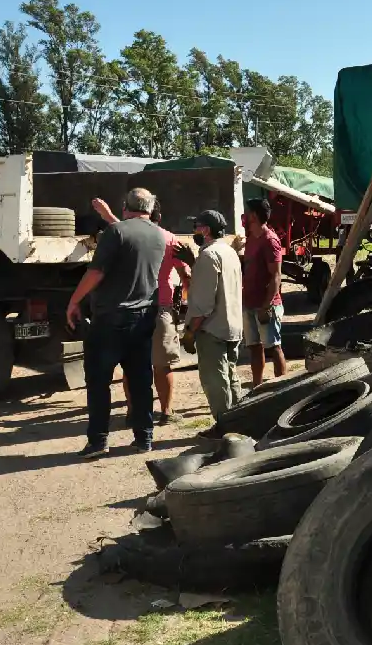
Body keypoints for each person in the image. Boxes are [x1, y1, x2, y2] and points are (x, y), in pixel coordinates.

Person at [67, 188, 164, 458]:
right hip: (143, 318)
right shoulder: (158, 234)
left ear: (125, 206)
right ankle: (144, 437)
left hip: (111, 318)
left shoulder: (116, 233)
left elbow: (96, 271)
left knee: (99, 381)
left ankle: (99, 441)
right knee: (140, 380)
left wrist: (74, 300)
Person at [91, 196, 191, 425]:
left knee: (131, 364)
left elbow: (126, 234)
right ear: (159, 217)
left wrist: (107, 216)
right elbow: (186, 276)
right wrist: (188, 301)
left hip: (133, 307)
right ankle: (166, 412)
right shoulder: (169, 239)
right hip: (161, 306)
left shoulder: (130, 235)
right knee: (162, 364)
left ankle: (132, 411)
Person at [183, 209, 243, 435]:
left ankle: (225, 429)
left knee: (215, 381)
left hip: (213, 329)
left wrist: (190, 331)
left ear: (206, 230)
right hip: (232, 325)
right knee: (230, 377)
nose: (194, 231)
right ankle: (239, 422)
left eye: (196, 226)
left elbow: (204, 304)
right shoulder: (229, 252)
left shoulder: (208, 256)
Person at [241, 197, 287, 388]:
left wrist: (266, 306)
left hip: (266, 305)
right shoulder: (251, 238)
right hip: (249, 302)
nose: (244, 217)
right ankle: (257, 386)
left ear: (253, 215)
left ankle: (282, 386)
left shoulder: (270, 240)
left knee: (273, 347)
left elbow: (276, 275)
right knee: (254, 347)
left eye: (247, 213)